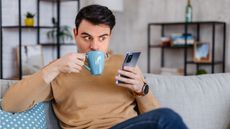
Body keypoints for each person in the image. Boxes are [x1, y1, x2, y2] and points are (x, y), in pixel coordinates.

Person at [2, 5, 188, 129]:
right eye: (87, 37)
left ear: (110, 36)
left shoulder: (123, 64)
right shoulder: (59, 69)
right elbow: (10, 104)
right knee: (167, 117)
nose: (94, 46)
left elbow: (152, 117)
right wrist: (55, 68)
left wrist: (142, 89)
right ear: (75, 34)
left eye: (102, 38)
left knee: (165, 118)